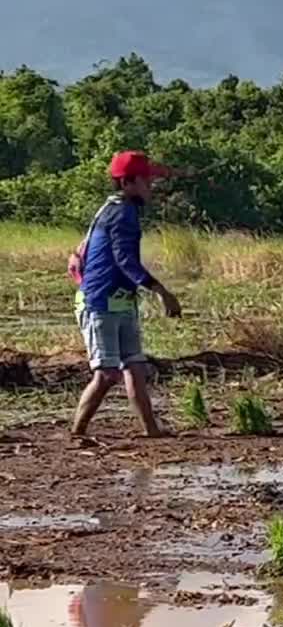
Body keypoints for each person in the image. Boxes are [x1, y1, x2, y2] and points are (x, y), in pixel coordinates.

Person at [71, 151, 182, 439]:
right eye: (146, 180)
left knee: (135, 367)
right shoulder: (122, 213)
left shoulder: (113, 208)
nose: (150, 186)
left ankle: (152, 430)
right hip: (100, 303)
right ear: (127, 183)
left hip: (120, 301)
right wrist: (160, 291)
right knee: (107, 374)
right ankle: (77, 433)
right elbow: (125, 260)